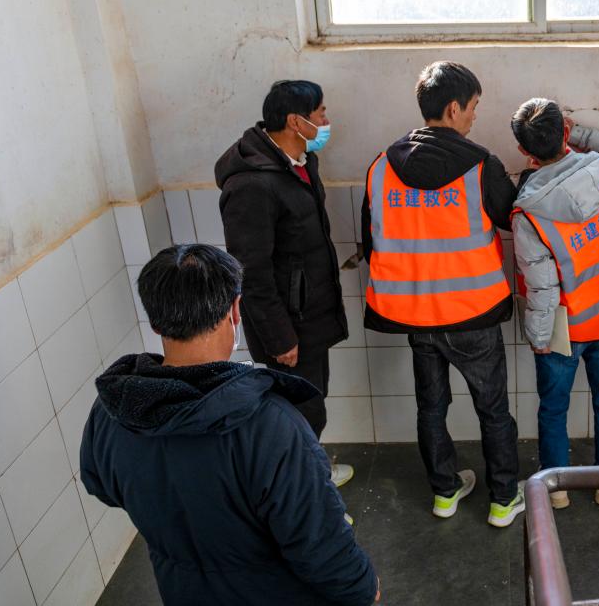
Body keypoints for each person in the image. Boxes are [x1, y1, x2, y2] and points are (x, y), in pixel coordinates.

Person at [80, 245, 378, 606]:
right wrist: (363, 586)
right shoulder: (270, 425)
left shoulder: (114, 409)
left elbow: (101, 485)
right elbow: (318, 541)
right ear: (235, 311)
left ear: (155, 322)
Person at [361, 61, 523, 527]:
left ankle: (445, 493)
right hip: (472, 314)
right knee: (493, 410)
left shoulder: (381, 167)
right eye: (473, 107)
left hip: (415, 316)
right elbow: (513, 219)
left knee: (431, 408)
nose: (475, 116)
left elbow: (372, 243)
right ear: (454, 108)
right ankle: (503, 499)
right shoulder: (481, 165)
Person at [509, 99, 599, 509]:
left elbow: (541, 286)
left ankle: (557, 491)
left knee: (554, 409)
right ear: (566, 132)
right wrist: (583, 132)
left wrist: (538, 338)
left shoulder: (528, 211)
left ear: (524, 151)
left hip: (564, 329)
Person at [215, 79, 353, 486]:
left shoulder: (300, 164)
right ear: (296, 121)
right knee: (300, 416)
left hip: (310, 316)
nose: (326, 121)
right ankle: (308, 499)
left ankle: (314, 478)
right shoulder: (251, 185)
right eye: (321, 114)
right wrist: (279, 337)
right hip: (289, 326)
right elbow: (250, 271)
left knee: (312, 405)